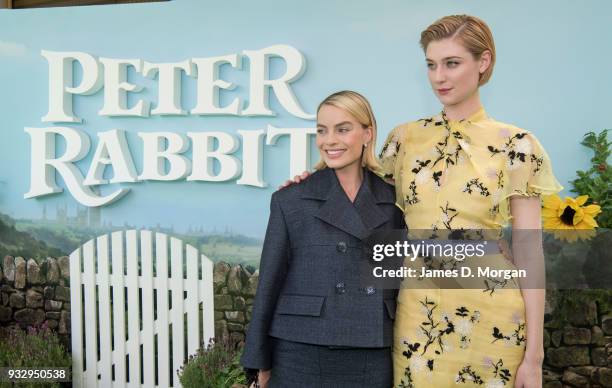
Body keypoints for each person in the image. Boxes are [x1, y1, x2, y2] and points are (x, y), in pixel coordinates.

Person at [283, 15, 562, 388]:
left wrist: (534, 357)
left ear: (483, 62)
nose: (438, 77)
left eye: (451, 63)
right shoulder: (405, 140)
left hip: (494, 317)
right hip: (417, 317)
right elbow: (359, 198)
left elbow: (530, 253)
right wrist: (312, 180)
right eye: (431, 65)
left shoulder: (518, 145)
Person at [240, 90, 405, 387]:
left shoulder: (394, 201)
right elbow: (269, 284)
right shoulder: (291, 199)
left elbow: (400, 277)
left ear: (367, 134)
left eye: (343, 129)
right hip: (301, 347)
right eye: (321, 130)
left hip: (371, 347)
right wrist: (258, 360)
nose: (329, 140)